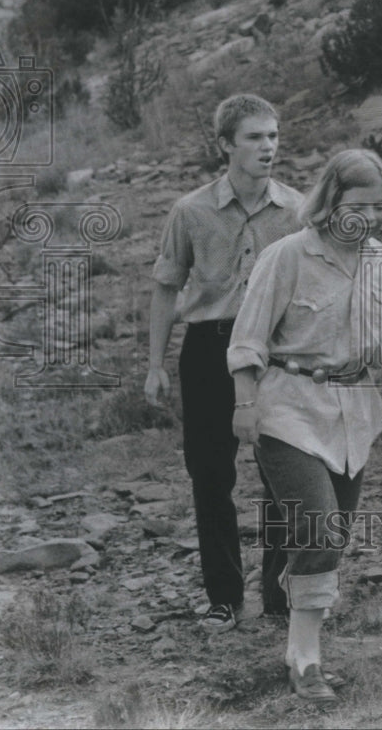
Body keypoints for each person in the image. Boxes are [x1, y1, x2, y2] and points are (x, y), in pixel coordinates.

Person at [228, 149, 382, 703]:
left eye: (378, 208)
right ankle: (308, 664)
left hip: (353, 410)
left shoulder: (380, 258)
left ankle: (296, 649)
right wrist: (245, 406)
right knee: (317, 527)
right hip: (287, 407)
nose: (366, 218)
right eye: (355, 205)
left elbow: (381, 325)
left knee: (327, 538)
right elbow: (248, 337)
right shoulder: (286, 256)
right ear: (330, 200)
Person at [145, 94, 303, 631]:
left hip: (276, 354)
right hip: (209, 348)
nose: (268, 147)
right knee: (211, 477)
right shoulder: (190, 211)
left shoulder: (298, 211)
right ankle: (224, 597)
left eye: (273, 135)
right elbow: (166, 287)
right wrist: (155, 364)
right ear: (226, 145)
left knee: (284, 476)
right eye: (255, 137)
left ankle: (281, 596)